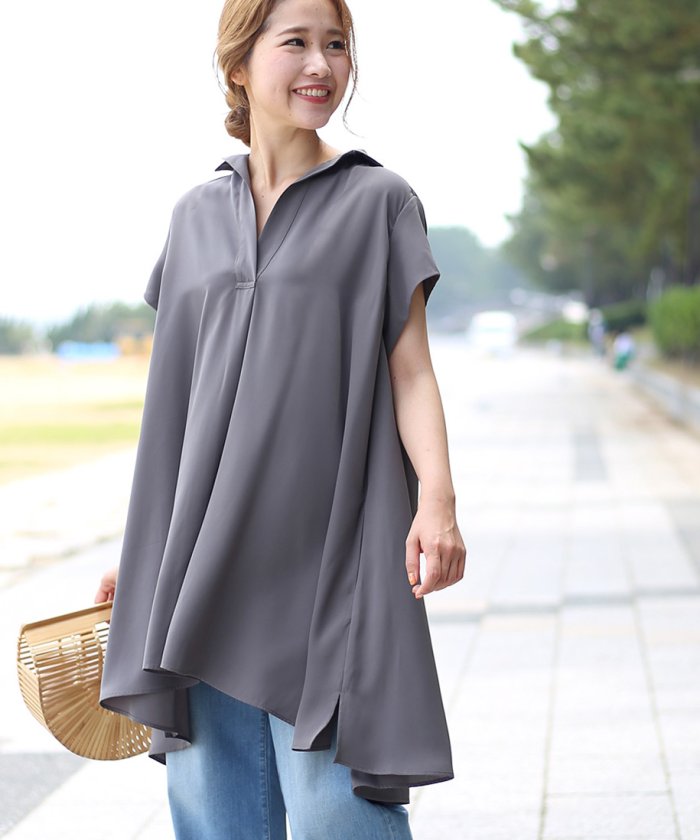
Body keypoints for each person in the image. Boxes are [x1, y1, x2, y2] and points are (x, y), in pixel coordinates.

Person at [95, 0, 467, 837]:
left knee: (341, 813)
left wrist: (438, 500)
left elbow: (411, 369)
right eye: (295, 42)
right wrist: (144, 554)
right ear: (238, 64)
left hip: (332, 556)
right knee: (213, 814)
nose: (321, 65)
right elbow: (178, 406)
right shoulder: (194, 215)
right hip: (205, 567)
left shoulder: (379, 200)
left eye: (337, 45)